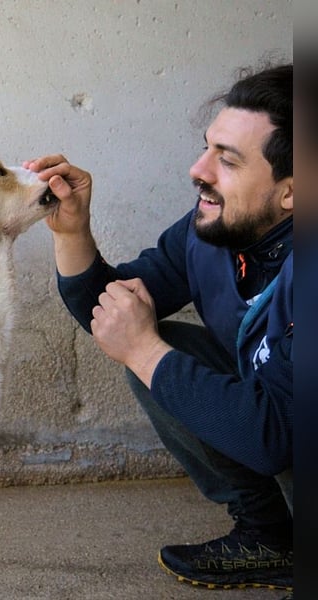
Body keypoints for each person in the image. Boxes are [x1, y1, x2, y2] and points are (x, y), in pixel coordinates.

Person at [25, 63, 293, 595]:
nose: (198, 170)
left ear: (292, 191)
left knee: (153, 353)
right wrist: (72, 233)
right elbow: (111, 312)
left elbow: (276, 439)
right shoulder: (214, 231)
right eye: (206, 148)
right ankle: (270, 539)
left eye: (228, 160)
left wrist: (145, 352)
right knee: (160, 349)